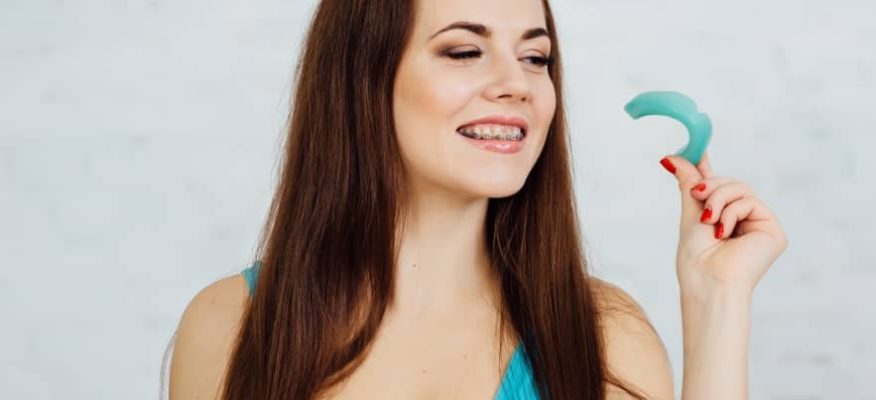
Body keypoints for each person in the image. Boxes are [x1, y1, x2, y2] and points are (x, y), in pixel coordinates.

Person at [165, 0, 788, 398]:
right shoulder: (233, 324)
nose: (516, 84)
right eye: (465, 51)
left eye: (536, 57)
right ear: (362, 78)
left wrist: (717, 301)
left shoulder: (602, 335)